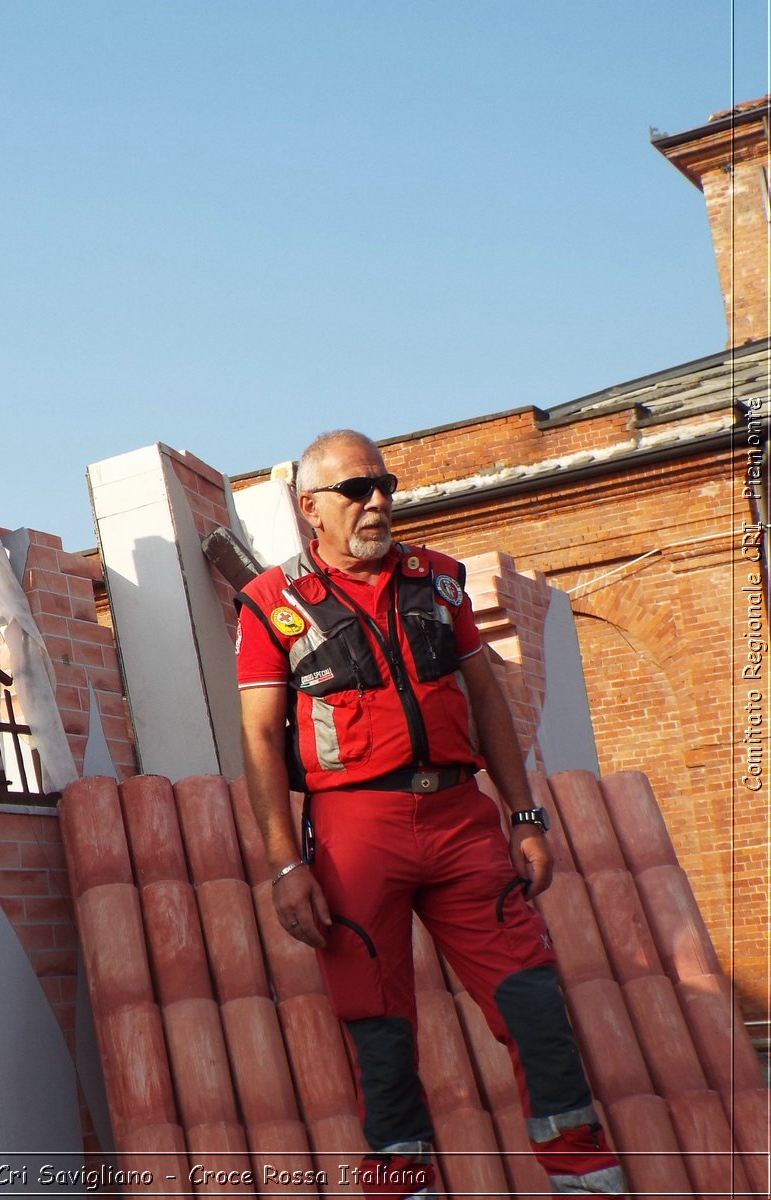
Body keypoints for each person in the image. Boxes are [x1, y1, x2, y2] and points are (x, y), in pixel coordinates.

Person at [236, 430, 627, 1198]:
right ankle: (403, 1184)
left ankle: (585, 1173)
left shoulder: (439, 583)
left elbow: (487, 701)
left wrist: (525, 817)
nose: (377, 500)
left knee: (533, 995)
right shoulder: (270, 604)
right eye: (356, 489)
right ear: (309, 506)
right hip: (353, 833)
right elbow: (256, 738)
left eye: (385, 484)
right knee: (376, 1026)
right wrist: (285, 867)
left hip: (460, 819)